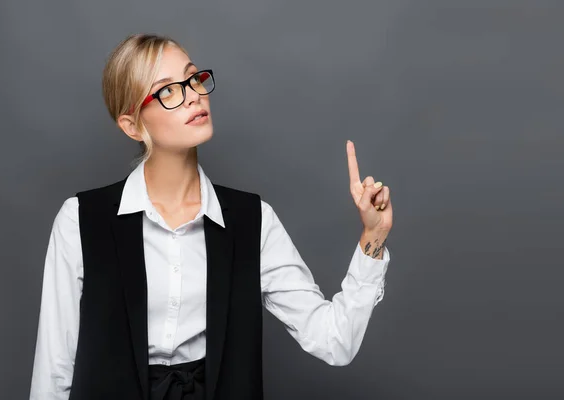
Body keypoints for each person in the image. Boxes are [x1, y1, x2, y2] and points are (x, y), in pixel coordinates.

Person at [29, 33, 394, 400]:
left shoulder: (252, 221)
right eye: (167, 91)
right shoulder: (80, 221)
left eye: (192, 78)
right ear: (132, 125)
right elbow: (53, 374)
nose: (192, 95)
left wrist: (373, 237)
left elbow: (334, 341)